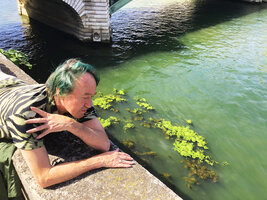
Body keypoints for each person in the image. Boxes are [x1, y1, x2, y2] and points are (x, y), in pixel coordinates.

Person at [0, 59, 134, 195]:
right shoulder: (25, 115)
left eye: (91, 96)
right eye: (85, 97)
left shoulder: (84, 104)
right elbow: (44, 178)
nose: (89, 104)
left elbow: (104, 144)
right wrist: (99, 161)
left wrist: (72, 124)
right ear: (60, 93)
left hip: (16, 86)